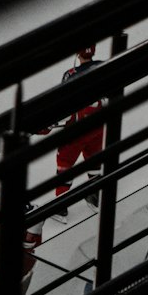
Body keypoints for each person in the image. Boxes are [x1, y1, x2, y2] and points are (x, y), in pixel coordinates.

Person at [46, 46, 105, 212]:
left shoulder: (71, 74)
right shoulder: (104, 66)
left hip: (76, 130)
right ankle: (95, 197)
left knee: (64, 164)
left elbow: (63, 105)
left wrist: (48, 124)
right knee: (94, 160)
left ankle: (61, 207)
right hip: (97, 126)